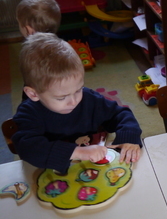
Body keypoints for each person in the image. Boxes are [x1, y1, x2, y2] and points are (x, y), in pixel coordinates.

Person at [12, 33, 142, 174]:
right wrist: (77, 152)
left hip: (92, 170)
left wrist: (128, 139)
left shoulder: (88, 99)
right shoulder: (29, 113)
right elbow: (28, 148)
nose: (74, 101)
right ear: (33, 94)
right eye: (62, 97)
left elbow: (121, 114)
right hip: (51, 175)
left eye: (78, 90)